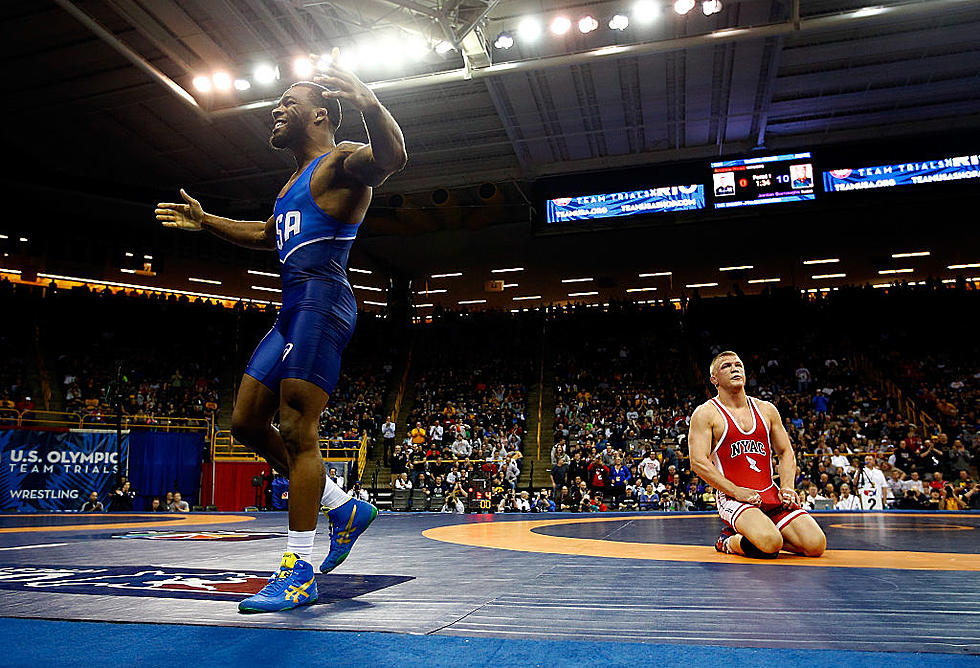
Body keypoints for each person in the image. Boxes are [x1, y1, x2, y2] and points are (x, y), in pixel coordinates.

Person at [155, 50, 407, 613]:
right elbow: (266, 233)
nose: (276, 110)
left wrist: (370, 102)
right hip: (291, 307)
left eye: (288, 104)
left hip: (322, 300)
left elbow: (392, 156)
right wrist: (205, 221)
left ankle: (300, 570)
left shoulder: (340, 162)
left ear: (320, 115)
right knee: (245, 420)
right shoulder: (292, 181)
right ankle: (343, 506)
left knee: (297, 426)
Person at [688, 351, 826, 559]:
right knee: (770, 544)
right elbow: (698, 462)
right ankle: (728, 541)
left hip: (770, 492)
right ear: (714, 379)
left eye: (738, 365)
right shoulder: (706, 413)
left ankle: (758, 534)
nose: (734, 368)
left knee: (815, 545)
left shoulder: (766, 409)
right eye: (726, 366)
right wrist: (735, 491)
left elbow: (785, 451)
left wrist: (787, 487)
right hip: (734, 497)